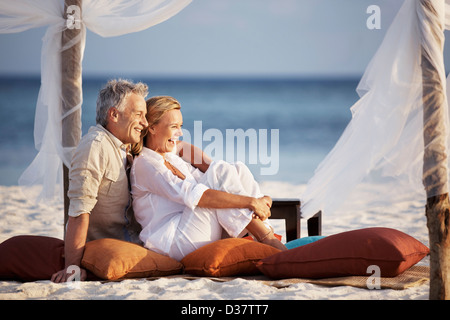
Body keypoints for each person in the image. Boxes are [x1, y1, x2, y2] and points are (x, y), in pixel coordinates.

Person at [130, 96, 286, 262]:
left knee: (237, 168)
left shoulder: (169, 153)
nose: (180, 132)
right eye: (174, 126)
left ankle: (261, 232)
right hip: (175, 242)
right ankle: (267, 237)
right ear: (152, 128)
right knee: (220, 171)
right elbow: (199, 196)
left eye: (180, 126)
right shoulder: (147, 164)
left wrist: (216, 171)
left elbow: (184, 148)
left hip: (194, 228)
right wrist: (251, 202)